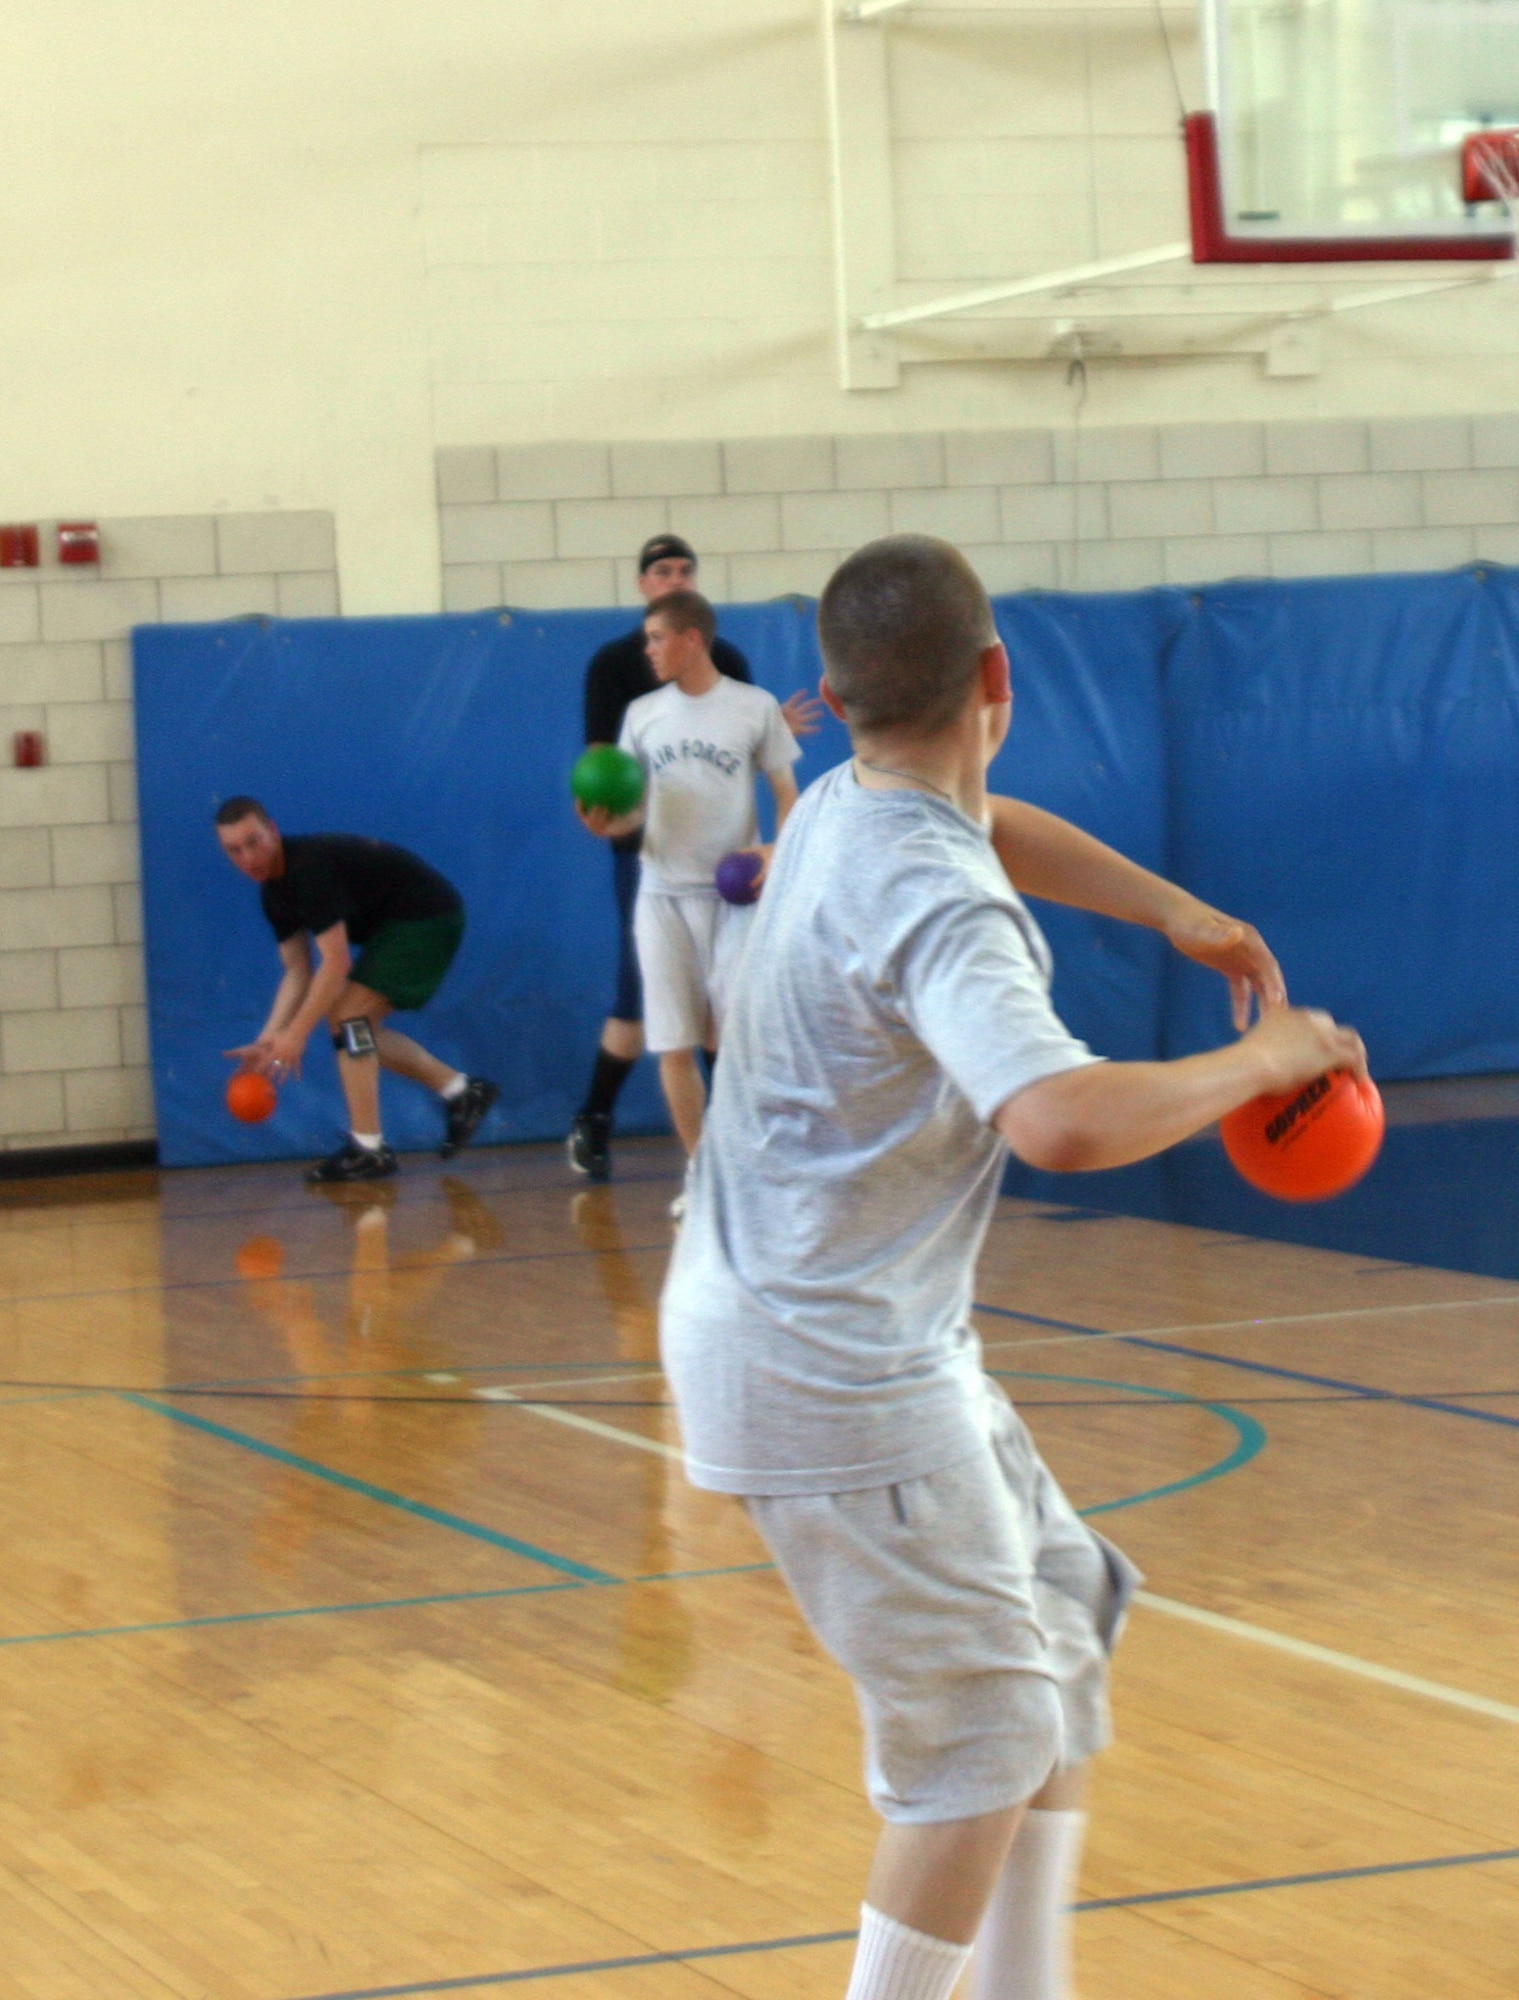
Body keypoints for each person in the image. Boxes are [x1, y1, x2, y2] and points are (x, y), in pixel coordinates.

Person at [659, 535, 1367, 2000]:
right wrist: (1261, 1056)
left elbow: (983, 821)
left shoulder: (840, 805)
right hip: (830, 1367)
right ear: (996, 677)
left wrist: (1168, 909)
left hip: (831, 1329)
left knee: (1058, 1621)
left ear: (837, 695)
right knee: (976, 1742)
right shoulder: (932, 890)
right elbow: (1051, 1117)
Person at [567, 532, 822, 1182]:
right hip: (655, 879)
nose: (675, 577)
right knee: (662, 1028)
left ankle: (758, 1162)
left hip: (730, 887)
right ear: (644, 584)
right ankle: (691, 1169)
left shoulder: (743, 688)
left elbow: (777, 779)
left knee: (730, 1036)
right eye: (662, 570)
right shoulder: (632, 697)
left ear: (692, 636)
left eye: (685, 569)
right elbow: (618, 784)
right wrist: (607, 822)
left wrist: (773, 851)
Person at [215, 798, 497, 1184]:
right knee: (353, 1030)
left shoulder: (307, 869)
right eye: (234, 850)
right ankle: (461, 1091)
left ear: (274, 831)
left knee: (348, 1019)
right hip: (396, 926)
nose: (248, 857)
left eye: (254, 841)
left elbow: (335, 964)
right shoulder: (273, 894)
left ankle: (370, 1149)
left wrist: (295, 1035)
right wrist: (268, 1041)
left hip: (427, 918)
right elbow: (298, 971)